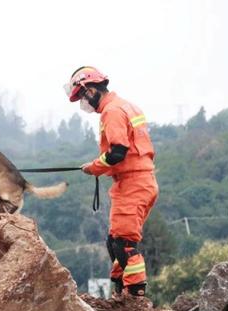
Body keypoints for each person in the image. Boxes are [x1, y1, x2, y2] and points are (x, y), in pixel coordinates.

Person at [64, 66, 158, 296]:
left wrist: (95, 167)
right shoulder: (125, 105)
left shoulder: (112, 111)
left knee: (123, 244)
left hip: (133, 183)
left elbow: (118, 151)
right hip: (138, 181)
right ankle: (120, 291)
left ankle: (135, 296)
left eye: (83, 96)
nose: (84, 102)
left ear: (92, 88)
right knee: (114, 240)